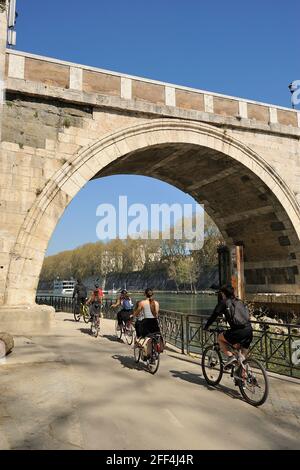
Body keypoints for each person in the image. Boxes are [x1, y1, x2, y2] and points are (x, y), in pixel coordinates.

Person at [204, 284, 253, 368]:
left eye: (221, 293)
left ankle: (230, 357)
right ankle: (243, 377)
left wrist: (206, 326)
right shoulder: (239, 301)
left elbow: (214, 315)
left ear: (223, 293)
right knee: (242, 359)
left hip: (238, 332)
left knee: (220, 338)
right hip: (249, 330)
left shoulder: (224, 302)